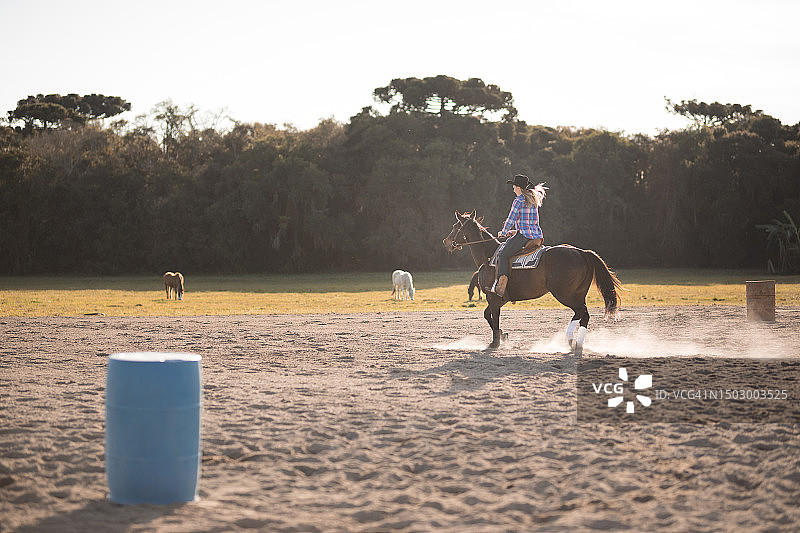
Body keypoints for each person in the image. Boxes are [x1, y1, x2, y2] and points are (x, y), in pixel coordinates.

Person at [491, 174, 547, 297]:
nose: (513, 189)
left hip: (524, 236)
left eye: (514, 186)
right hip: (536, 236)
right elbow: (529, 223)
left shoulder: (518, 201)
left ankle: (501, 286)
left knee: (503, 255)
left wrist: (504, 232)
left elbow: (511, 219)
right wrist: (514, 232)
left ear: (518, 188)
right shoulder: (532, 200)